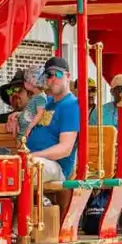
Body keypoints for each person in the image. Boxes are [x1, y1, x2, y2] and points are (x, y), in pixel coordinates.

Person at [25, 58, 81, 213]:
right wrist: (15, 116)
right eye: (48, 75)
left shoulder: (71, 105)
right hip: (32, 160)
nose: (52, 78)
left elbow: (65, 149)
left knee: (26, 167)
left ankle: (40, 206)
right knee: (3, 167)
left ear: (67, 76)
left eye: (57, 74)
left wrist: (33, 155)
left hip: (56, 166)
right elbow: (26, 118)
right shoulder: (46, 102)